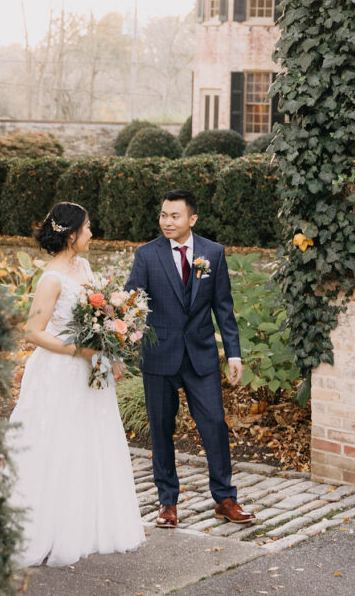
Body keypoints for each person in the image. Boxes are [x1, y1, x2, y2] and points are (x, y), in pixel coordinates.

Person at [7, 201, 144, 567]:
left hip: (91, 369)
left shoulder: (83, 265)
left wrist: (109, 348)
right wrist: (78, 351)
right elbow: (33, 331)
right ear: (70, 234)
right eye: (86, 228)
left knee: (91, 439)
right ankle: (50, 527)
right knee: (58, 442)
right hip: (59, 371)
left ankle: (90, 526)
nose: (91, 233)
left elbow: (99, 314)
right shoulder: (51, 279)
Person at [126, 189, 256, 529]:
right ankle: (167, 502)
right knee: (161, 430)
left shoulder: (213, 252)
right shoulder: (146, 255)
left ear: (192, 219)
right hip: (159, 358)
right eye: (164, 215)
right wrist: (125, 341)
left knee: (214, 423)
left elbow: (223, 307)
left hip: (200, 355)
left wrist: (234, 353)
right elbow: (131, 305)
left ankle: (225, 498)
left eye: (175, 216)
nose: (167, 221)